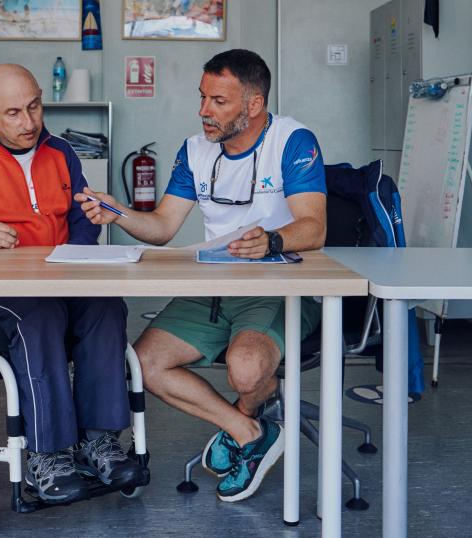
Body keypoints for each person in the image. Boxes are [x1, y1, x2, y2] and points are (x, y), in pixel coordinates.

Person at [76, 49, 327, 502]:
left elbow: (314, 226)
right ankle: (248, 431)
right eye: (202, 98)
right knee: (145, 364)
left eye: (218, 101)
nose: (203, 111)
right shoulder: (195, 150)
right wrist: (119, 213)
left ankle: (249, 413)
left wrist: (272, 241)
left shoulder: (293, 141)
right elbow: (163, 227)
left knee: (246, 369)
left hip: (276, 288)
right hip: (213, 286)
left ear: (253, 105)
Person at [0, 64, 142, 504]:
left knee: (105, 307)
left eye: (35, 107)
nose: (29, 122)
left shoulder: (62, 152)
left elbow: (81, 218)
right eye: (14, 113)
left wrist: (75, 254)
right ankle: (48, 454)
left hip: (57, 279)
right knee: (38, 315)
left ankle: (99, 441)